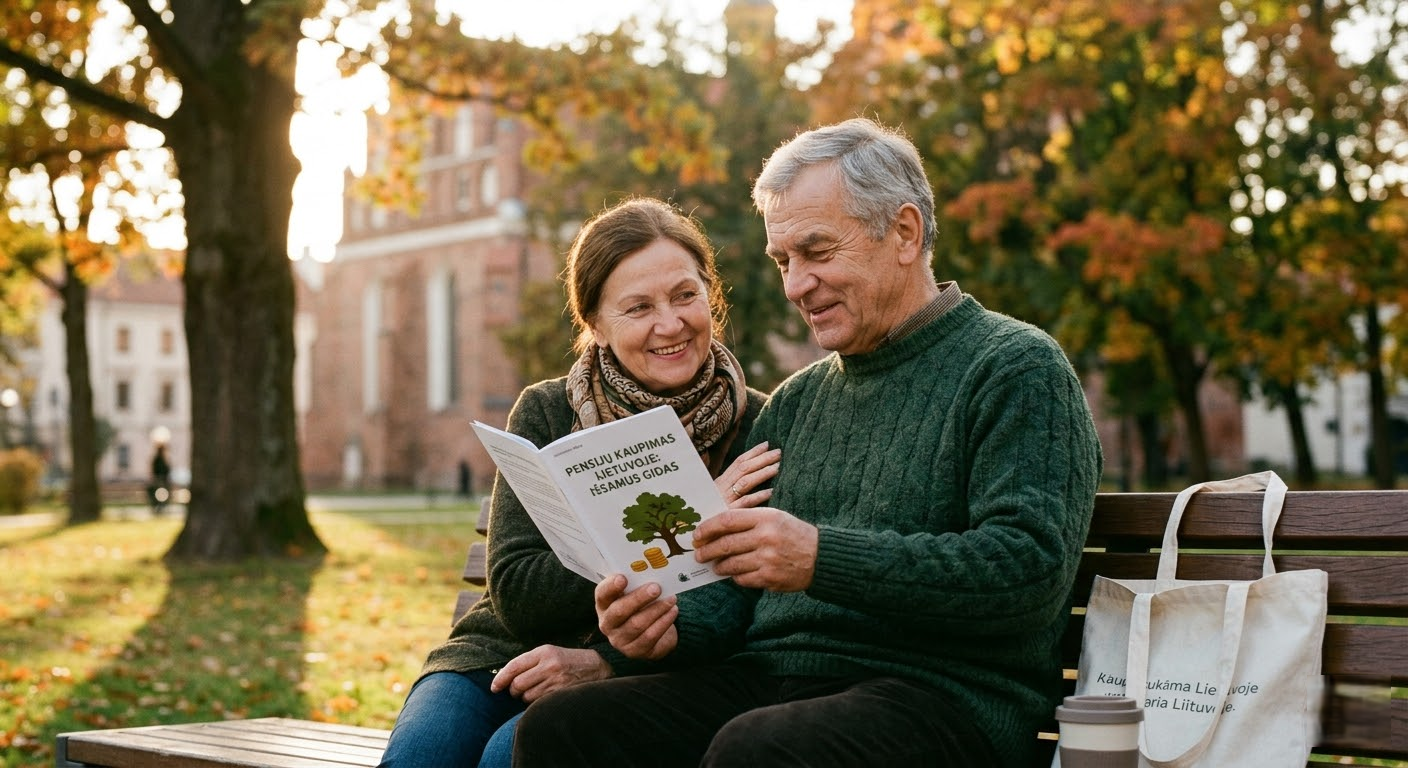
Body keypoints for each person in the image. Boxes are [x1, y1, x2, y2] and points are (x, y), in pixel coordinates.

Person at [513, 118, 1104, 767]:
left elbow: (1028, 573)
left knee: (760, 748)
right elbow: (729, 599)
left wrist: (820, 558)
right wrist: (659, 634)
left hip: (946, 696)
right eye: (783, 261)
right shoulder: (796, 402)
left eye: (817, 253)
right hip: (779, 681)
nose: (795, 285)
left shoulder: (1014, 368)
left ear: (904, 233)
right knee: (565, 727)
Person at [376, 197, 781, 768]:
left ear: (709, 295)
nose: (670, 324)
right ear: (595, 323)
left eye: (685, 295)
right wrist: (696, 514)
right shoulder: (546, 410)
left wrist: (606, 661)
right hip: (498, 656)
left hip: (636, 678)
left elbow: (742, 614)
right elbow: (518, 592)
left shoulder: (759, 424)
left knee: (504, 759)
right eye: (638, 307)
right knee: (419, 762)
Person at [148, 443, 171, 515]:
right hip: (159, 480)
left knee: (162, 494)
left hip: (162, 480)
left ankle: (161, 507)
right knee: (158, 494)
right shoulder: (158, 459)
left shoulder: (162, 459)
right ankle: (159, 507)